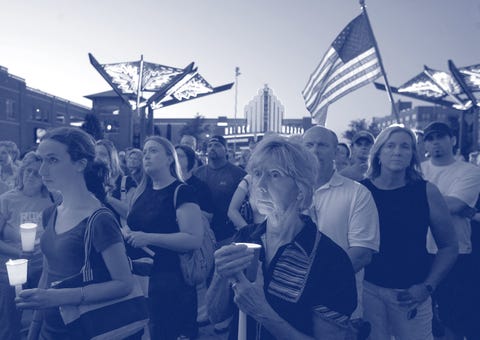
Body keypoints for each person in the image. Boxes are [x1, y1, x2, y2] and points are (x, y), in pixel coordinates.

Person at [206, 136, 357, 340]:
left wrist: (262, 311)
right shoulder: (244, 238)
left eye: (274, 175)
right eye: (257, 174)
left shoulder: (330, 261)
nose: (260, 185)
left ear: (301, 189)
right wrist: (220, 274)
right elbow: (215, 315)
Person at [16, 127, 136, 339]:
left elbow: (124, 283)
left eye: (52, 160)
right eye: (41, 160)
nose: (42, 171)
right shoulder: (51, 212)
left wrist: (58, 297)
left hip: (86, 329)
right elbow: (48, 272)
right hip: (49, 330)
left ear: (80, 164)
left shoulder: (99, 219)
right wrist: (34, 328)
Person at [360, 125, 458, 340]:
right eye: (390, 145)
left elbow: (449, 247)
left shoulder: (426, 191)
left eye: (405, 146)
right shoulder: (361, 191)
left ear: (413, 154)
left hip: (410, 294)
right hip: (367, 290)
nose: (397, 151)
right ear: (378, 152)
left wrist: (427, 287)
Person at [125, 136, 203, 340]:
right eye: (145, 151)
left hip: (171, 282)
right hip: (141, 279)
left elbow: (193, 239)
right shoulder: (142, 191)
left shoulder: (182, 191)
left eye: (153, 151)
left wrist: (148, 238)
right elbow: (135, 225)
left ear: (170, 158)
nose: (146, 156)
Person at [302, 126, 380, 331]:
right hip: (292, 304)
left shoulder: (358, 194)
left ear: (336, 151)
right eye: (309, 145)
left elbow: (362, 254)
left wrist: (310, 285)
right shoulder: (289, 191)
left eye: (322, 145)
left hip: (340, 308)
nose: (315, 150)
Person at [421, 121, 480, 340]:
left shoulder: (469, 171)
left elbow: (455, 205)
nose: (435, 142)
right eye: (430, 138)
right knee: (425, 315)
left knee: (455, 315)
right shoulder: (418, 169)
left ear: (452, 140)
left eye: (440, 137)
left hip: (456, 252)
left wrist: (412, 199)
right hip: (420, 250)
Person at [0, 152, 57, 340]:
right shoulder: (7, 199)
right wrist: (19, 252)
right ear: (21, 172)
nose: (31, 176)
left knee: (46, 317)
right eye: (28, 171)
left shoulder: (53, 199)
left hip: (43, 266)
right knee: (10, 319)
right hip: (12, 266)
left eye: (37, 173)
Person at [195, 135, 246, 243]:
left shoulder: (238, 174)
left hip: (228, 233)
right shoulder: (197, 173)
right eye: (209, 146)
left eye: (217, 145)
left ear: (226, 151)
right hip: (203, 231)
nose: (212, 148)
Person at [95, 139, 137, 223]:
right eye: (95, 154)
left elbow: (130, 213)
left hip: (118, 232)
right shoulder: (90, 180)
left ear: (112, 158)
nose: (97, 158)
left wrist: (106, 198)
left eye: (102, 154)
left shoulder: (126, 182)